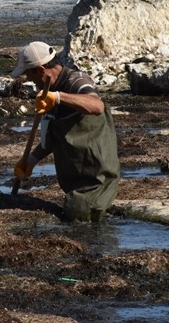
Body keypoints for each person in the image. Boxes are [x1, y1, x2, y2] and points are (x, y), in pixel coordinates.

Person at [11, 41, 120, 222]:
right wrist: (30, 161)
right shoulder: (48, 93)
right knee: (73, 215)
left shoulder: (77, 81)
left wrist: (59, 97)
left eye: (29, 75)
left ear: (40, 70)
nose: (30, 81)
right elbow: (54, 138)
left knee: (78, 216)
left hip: (97, 177)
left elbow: (97, 106)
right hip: (74, 178)